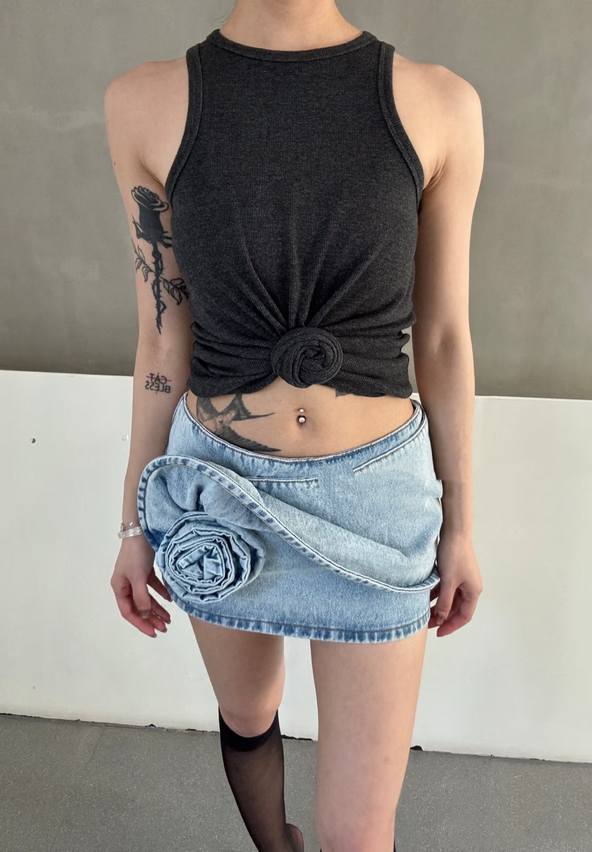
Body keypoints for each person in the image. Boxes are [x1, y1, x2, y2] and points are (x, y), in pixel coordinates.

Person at [104, 2, 484, 850]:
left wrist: (461, 523)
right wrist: (132, 521)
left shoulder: (440, 103)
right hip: (216, 484)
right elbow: (162, 338)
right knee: (247, 712)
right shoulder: (143, 101)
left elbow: (444, 338)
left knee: (359, 832)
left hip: (376, 498)